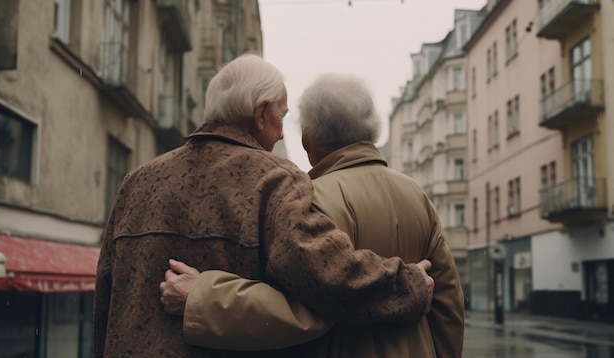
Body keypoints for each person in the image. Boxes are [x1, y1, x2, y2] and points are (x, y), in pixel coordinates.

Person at [94, 54, 435, 357]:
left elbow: (105, 304)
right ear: (260, 113)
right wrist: (410, 284)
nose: (284, 135)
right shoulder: (274, 180)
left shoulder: (136, 182)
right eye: (281, 118)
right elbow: (329, 277)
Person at [160, 73, 465, 357]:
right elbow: (449, 304)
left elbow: (295, 310)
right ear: (371, 128)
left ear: (307, 140)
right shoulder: (417, 196)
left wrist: (203, 299)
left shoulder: (306, 200)